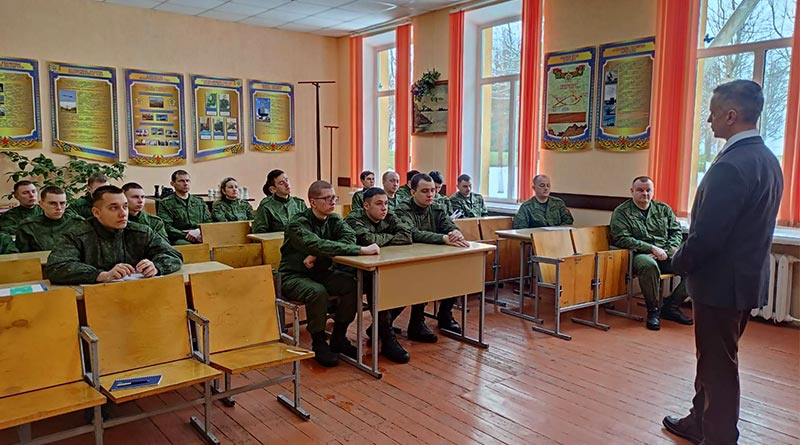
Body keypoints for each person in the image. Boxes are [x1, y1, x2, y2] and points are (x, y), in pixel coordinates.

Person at [664, 80, 783, 445]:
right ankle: (698, 421)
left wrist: (676, 262)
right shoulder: (767, 160)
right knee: (714, 358)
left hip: (720, 284)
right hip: (743, 281)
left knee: (718, 366)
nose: (709, 120)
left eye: (713, 113)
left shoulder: (732, 165)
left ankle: (719, 436)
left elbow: (708, 236)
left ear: (731, 115)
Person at [279, 180, 380, 367]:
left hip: (321, 272)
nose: (333, 202)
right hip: (293, 276)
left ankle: (339, 337)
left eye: (334, 197)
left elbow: (349, 236)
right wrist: (360, 250)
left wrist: (317, 254)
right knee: (317, 292)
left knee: (351, 284)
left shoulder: (334, 219)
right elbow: (315, 243)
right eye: (327, 198)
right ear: (313, 202)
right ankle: (318, 342)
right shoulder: (297, 223)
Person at [46, 185, 183, 285]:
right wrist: (101, 275)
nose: (123, 213)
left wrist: (156, 267)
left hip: (139, 293)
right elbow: (56, 267)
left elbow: (173, 255)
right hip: (96, 299)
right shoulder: (77, 235)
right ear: (96, 212)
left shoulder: (141, 232)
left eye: (125, 206)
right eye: (114, 208)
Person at [610, 176, 692, 331]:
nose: (645, 194)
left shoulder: (663, 209)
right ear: (632, 191)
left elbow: (675, 232)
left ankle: (671, 307)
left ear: (653, 191)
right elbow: (621, 238)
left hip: (665, 253)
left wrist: (667, 250)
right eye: (640, 190)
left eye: (648, 190)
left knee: (696, 268)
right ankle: (653, 311)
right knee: (648, 265)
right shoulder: (622, 212)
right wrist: (651, 248)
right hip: (639, 255)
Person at [396, 173, 471, 341]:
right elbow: (412, 233)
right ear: (413, 192)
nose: (430, 194)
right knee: (422, 278)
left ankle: (445, 315)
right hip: (408, 258)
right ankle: (416, 322)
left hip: (432, 255)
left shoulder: (436, 207)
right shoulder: (403, 209)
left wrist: (455, 232)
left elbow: (448, 224)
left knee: (455, 272)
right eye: (425, 191)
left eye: (433, 190)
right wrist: (443, 238)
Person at [344, 187, 413, 363]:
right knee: (379, 285)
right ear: (366, 206)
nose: (384, 208)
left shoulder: (388, 215)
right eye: (379, 204)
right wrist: (388, 237)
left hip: (380, 265)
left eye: (386, 203)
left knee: (408, 286)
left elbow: (407, 235)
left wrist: (381, 239)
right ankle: (388, 338)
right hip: (352, 271)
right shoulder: (353, 218)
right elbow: (368, 240)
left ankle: (379, 328)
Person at [15, 186, 84, 252]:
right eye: (53, 203)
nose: (59, 208)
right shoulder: (28, 227)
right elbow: (24, 257)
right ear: (41, 204)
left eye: (62, 203)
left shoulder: (77, 223)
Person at [157, 170, 212, 245]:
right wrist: (187, 235)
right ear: (172, 184)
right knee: (187, 246)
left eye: (187, 181)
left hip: (200, 234)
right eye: (181, 181)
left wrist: (198, 231)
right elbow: (166, 226)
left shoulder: (199, 201)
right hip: (179, 238)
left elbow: (208, 221)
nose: (185, 183)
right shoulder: (166, 203)